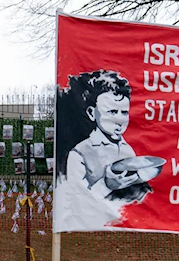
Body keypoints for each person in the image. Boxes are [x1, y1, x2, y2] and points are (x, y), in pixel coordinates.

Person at [63, 70, 152, 203]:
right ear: (92, 113)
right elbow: (77, 200)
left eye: (124, 112)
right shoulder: (79, 154)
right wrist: (107, 185)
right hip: (94, 221)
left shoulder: (127, 150)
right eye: (112, 112)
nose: (119, 119)